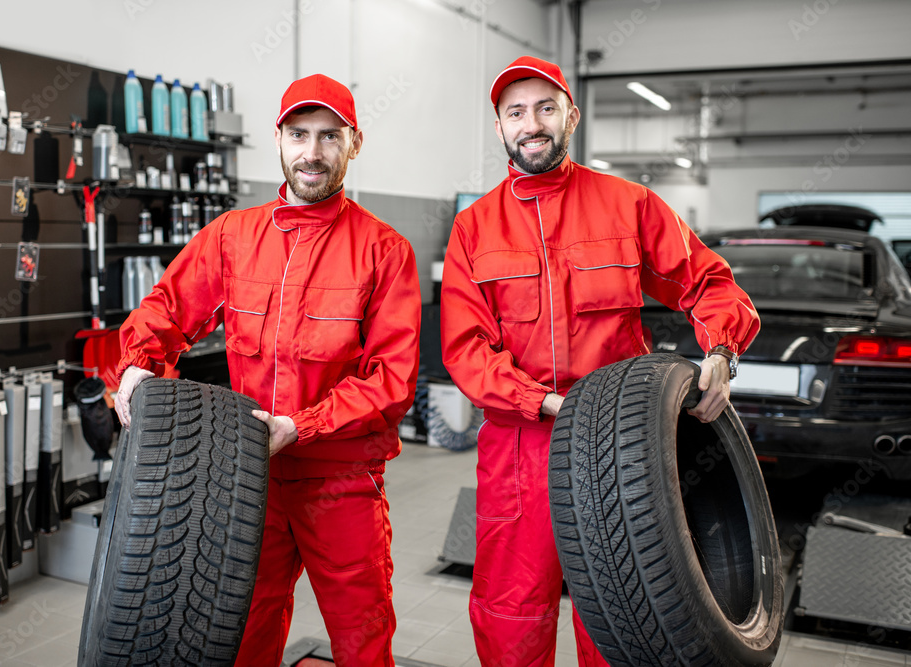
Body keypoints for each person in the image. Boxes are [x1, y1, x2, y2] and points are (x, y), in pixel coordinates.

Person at [440, 56, 760, 666]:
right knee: (512, 608)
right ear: (501, 128)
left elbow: (711, 285)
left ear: (571, 116)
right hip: (519, 449)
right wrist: (539, 401)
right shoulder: (473, 228)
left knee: (622, 608)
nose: (531, 123)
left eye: (545, 107)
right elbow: (466, 348)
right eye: (516, 113)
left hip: (618, 448)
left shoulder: (629, 204)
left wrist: (720, 350)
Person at [114, 73, 421, 667]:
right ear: (277, 139)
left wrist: (299, 427)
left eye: (330, 137)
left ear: (353, 144)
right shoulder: (232, 236)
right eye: (299, 135)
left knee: (361, 634)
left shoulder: (384, 250)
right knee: (244, 626)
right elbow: (164, 310)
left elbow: (392, 379)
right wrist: (136, 365)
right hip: (249, 478)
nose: (313, 153)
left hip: (342, 480)